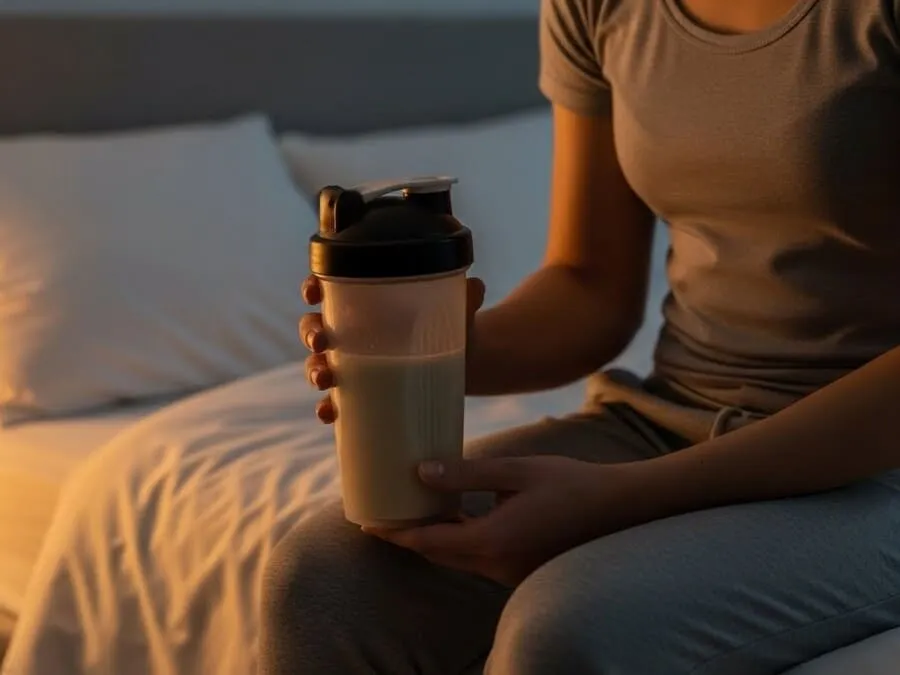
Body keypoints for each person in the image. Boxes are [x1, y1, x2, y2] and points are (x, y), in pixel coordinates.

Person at [258, 0, 900, 672]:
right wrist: (438, 353)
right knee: (329, 579)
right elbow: (589, 285)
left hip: (875, 464)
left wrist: (622, 498)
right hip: (669, 416)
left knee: (568, 630)